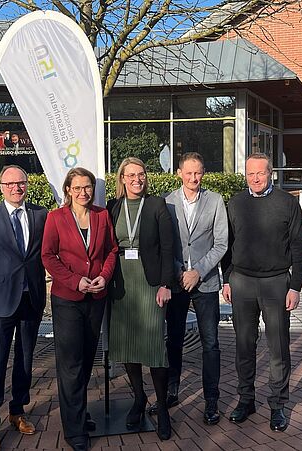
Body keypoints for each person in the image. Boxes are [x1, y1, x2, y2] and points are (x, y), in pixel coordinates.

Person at [221, 152, 302, 432]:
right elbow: (226, 245)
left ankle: (278, 404)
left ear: (271, 173)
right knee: (244, 345)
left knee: (278, 346)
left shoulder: (287, 203)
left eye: (260, 173)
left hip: (276, 283)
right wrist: (226, 280)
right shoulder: (235, 203)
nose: (255, 178)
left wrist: (295, 287)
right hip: (242, 282)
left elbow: (299, 247)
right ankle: (246, 399)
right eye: (250, 173)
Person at [0, 165, 48, 451]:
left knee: (25, 360)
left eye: (21, 183)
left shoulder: (40, 215)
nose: (17, 188)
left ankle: (18, 411)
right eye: (10, 184)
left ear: (27, 184)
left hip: (31, 300)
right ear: (2, 187)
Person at [41, 167, 118, 451]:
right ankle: (74, 431)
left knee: (86, 360)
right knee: (71, 363)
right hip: (68, 299)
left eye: (87, 187)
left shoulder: (102, 215)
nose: (83, 192)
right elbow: (48, 256)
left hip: (96, 297)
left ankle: (78, 412)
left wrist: (104, 277)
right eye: (77, 188)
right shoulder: (56, 218)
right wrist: (76, 281)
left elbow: (112, 250)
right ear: (68, 190)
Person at [153, 152, 227, 425]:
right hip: (177, 282)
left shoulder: (215, 200)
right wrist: (179, 272)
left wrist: (198, 271)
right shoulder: (167, 202)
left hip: (205, 283)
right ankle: (171, 392)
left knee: (211, 343)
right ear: (179, 173)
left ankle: (211, 400)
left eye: (198, 173)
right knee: (173, 339)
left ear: (203, 173)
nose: (194, 178)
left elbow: (221, 243)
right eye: (188, 173)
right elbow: (164, 244)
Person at [106, 157, 175, 441]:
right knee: (127, 346)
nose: (137, 179)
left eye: (141, 174)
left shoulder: (157, 205)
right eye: (131, 175)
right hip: (121, 283)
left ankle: (163, 408)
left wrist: (165, 284)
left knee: (154, 346)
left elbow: (169, 247)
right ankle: (139, 398)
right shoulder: (112, 206)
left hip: (150, 283)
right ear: (122, 178)